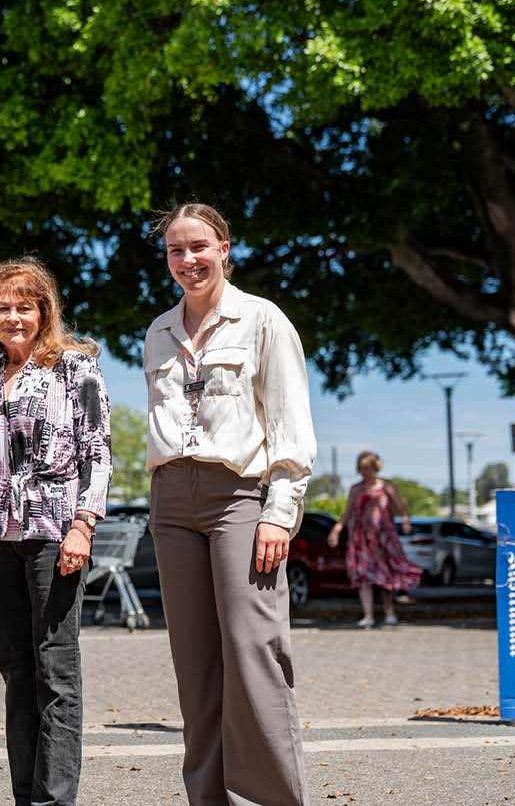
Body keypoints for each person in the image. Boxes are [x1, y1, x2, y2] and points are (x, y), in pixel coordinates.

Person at [142, 203, 316, 806]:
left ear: (224, 248)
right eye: (175, 251)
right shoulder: (158, 331)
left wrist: (279, 509)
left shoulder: (263, 320)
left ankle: (268, 799)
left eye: (199, 247)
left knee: (253, 655)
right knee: (195, 668)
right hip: (170, 501)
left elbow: (290, 425)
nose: (188, 260)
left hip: (240, 498)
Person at [0, 258, 111, 805]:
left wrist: (83, 526)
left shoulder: (75, 367)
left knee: (55, 670)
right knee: (18, 674)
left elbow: (97, 453)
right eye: (2, 308)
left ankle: (55, 798)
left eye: (25, 306)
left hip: (55, 532)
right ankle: (27, 796)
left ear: (44, 311)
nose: (13, 317)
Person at [328, 450, 422, 627]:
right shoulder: (356, 489)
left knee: (385, 575)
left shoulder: (386, 486)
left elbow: (401, 507)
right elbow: (347, 512)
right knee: (363, 575)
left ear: (375, 467)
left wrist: (406, 521)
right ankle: (368, 615)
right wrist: (336, 530)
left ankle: (389, 612)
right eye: (361, 468)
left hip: (383, 538)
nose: (364, 472)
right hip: (361, 539)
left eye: (368, 468)